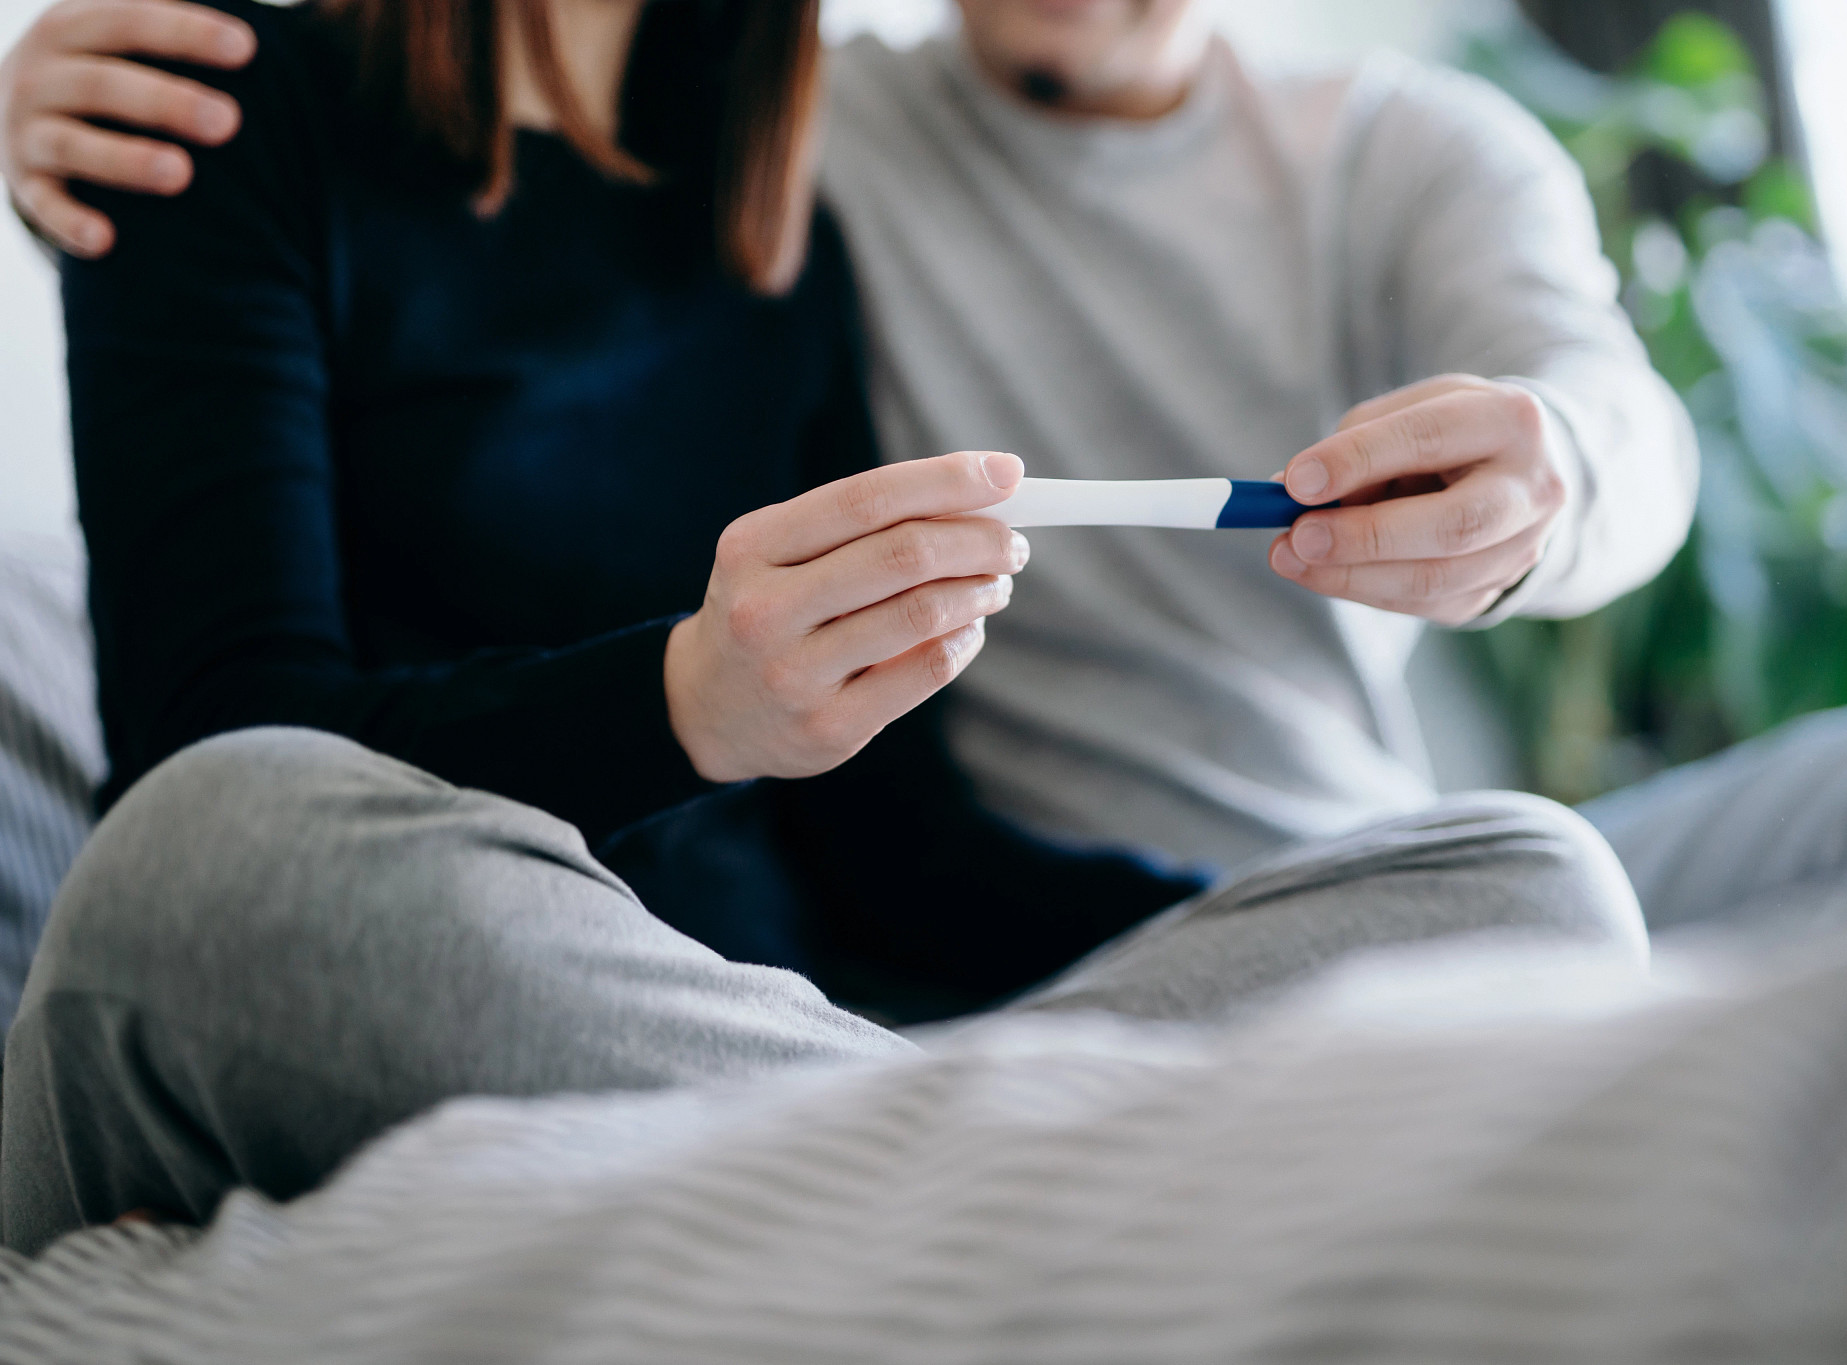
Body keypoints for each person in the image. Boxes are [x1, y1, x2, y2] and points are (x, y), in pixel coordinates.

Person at [0, 0, 1663, 1258]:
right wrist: (686, 707)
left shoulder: (775, 220)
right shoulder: (211, 114)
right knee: (216, 857)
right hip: (460, 994)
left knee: (1525, 885)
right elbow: (209, 753)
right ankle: (957, 1166)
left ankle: (901, 1166)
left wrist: (1283, 958)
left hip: (790, 1050)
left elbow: (897, 849)